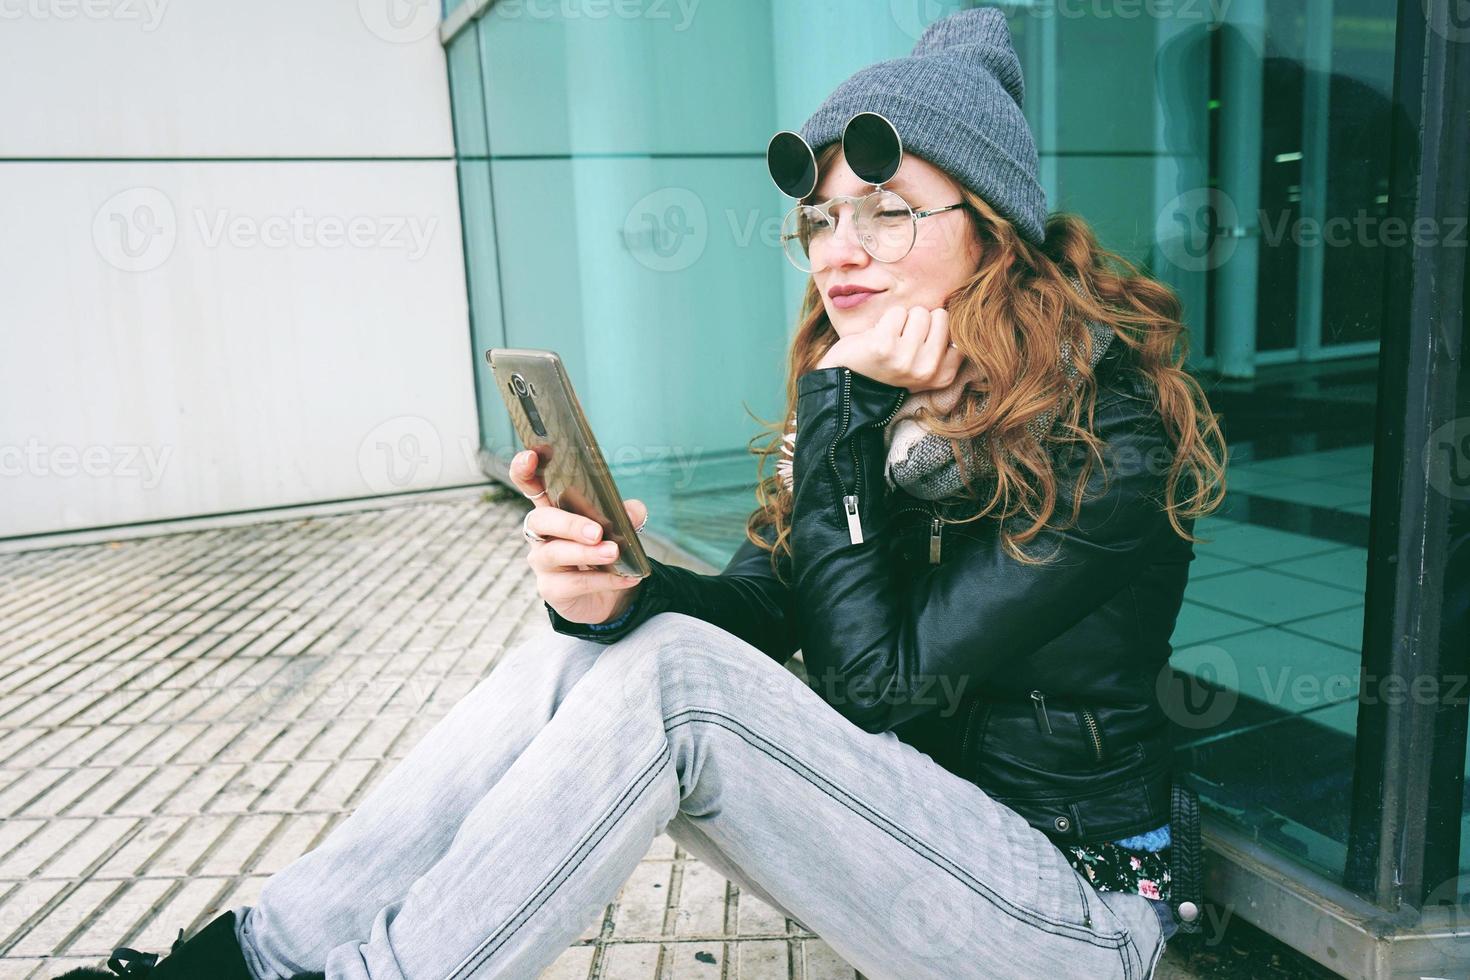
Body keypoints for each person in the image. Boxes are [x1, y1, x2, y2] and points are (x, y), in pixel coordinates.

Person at [59, 8, 1226, 980]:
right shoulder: (886, 405)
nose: (838, 250)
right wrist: (614, 593)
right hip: (910, 834)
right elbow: (765, 615)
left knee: (672, 681)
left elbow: (877, 688)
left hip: (1067, 911)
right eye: (820, 218)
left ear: (995, 230)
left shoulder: (1106, 431)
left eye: (887, 209)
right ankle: (246, 959)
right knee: (582, 657)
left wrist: (839, 423)